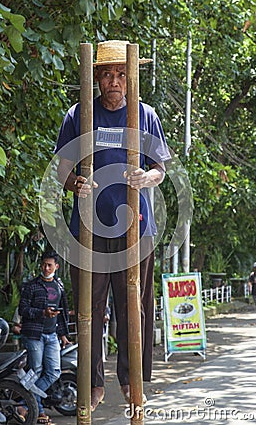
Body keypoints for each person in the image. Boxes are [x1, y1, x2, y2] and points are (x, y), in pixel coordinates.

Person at [55, 40, 170, 411]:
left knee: (133, 305)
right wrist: (76, 183)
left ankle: (132, 381)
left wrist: (145, 178)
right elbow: (61, 169)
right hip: (87, 228)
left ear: (131, 78)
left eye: (122, 74)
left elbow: (160, 170)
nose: (115, 81)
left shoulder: (146, 114)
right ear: (96, 78)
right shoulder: (78, 115)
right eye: (107, 74)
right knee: (88, 307)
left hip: (136, 228)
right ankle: (92, 384)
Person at [18, 250, 70, 424]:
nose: (46, 268)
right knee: (36, 371)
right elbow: (23, 310)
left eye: (49, 265)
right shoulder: (31, 285)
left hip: (52, 334)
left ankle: (23, 404)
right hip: (34, 334)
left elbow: (61, 314)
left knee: (54, 372)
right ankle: (38, 412)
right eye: (44, 265)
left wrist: (63, 335)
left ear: (56, 266)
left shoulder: (59, 286)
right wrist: (42, 312)